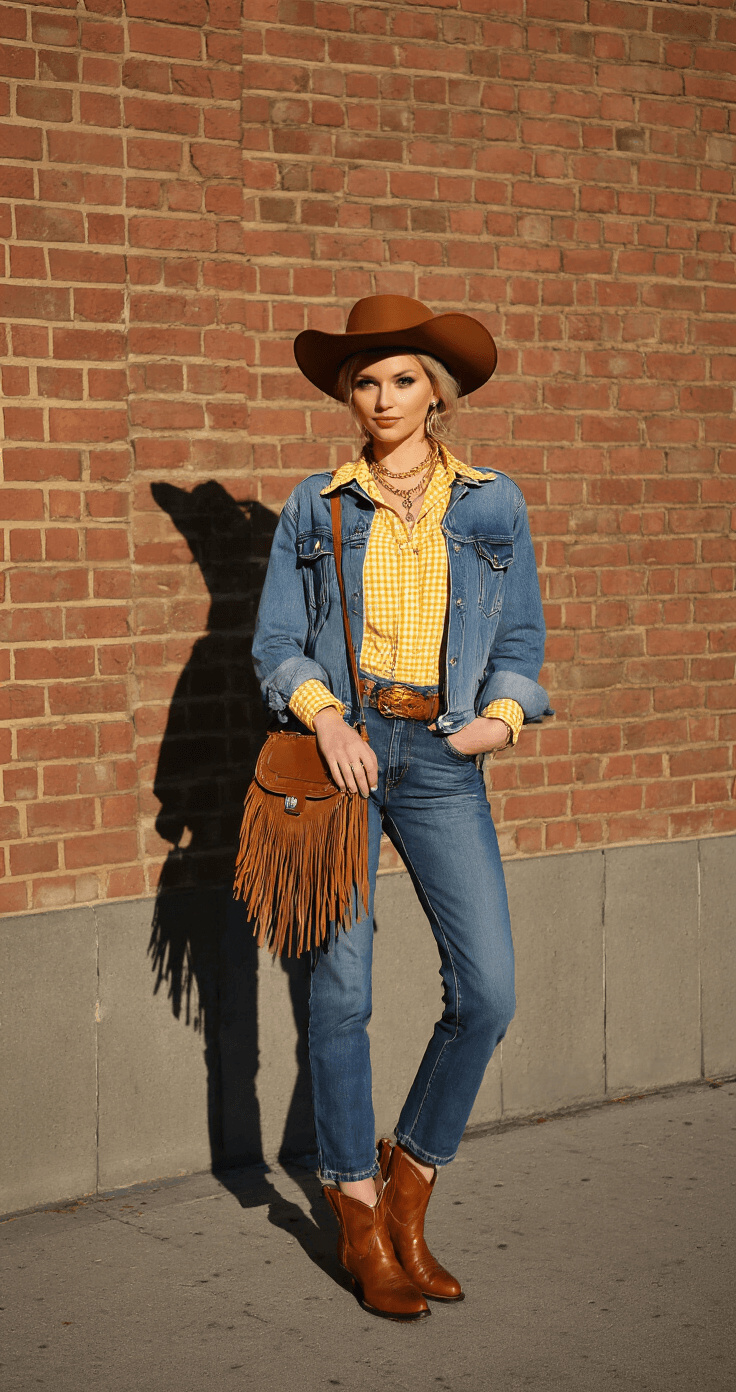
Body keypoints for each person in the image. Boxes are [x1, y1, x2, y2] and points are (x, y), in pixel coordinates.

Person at [252, 295, 550, 1321]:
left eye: (403, 379)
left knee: (490, 990)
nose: (382, 398)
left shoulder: (490, 504)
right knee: (341, 996)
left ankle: (411, 1174)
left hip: (440, 755)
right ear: (351, 393)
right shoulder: (318, 503)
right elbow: (275, 644)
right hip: (342, 756)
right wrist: (325, 716)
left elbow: (520, 642)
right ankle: (354, 1205)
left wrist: (499, 721)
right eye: (366, 381)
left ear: (438, 392)